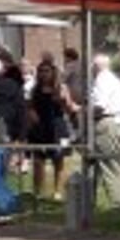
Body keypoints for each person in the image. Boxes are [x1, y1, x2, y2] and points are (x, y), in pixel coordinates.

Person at [25, 59, 72, 201]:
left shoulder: (61, 88)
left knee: (59, 160)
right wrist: (31, 113)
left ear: (53, 73)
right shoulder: (35, 89)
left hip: (59, 128)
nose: (43, 74)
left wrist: (64, 101)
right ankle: (38, 191)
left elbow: (69, 109)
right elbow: (29, 105)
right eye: (41, 71)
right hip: (40, 128)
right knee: (38, 161)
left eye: (46, 71)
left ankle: (57, 191)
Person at [88, 54, 120, 211]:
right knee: (93, 165)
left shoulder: (102, 78)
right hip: (114, 122)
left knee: (109, 163)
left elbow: (100, 105)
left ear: (96, 66)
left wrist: (84, 112)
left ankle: (119, 203)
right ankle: (87, 201)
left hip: (105, 122)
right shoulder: (113, 78)